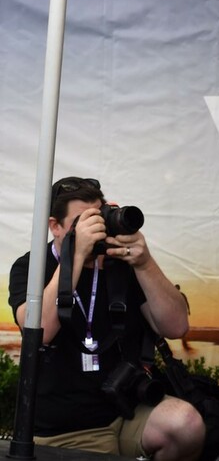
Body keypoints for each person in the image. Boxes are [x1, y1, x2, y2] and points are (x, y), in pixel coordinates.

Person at [8, 176, 206, 460]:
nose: (92, 232)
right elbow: (39, 331)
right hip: (65, 428)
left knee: (185, 426)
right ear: (55, 226)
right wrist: (75, 255)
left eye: (96, 219)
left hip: (125, 410)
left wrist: (145, 263)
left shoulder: (120, 263)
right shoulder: (32, 266)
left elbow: (176, 326)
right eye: (81, 223)